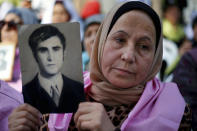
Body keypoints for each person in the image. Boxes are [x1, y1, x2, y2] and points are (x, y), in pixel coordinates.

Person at [8, 1, 191, 131]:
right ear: (100, 43)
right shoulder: (61, 93)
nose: (128, 56)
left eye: (144, 46)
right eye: (119, 40)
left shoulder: (173, 110)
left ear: (156, 56)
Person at [22, 25, 85, 114]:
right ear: (35, 55)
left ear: (64, 53)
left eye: (56, 49)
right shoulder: (24, 93)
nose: (50, 57)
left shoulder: (79, 89)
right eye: (43, 50)